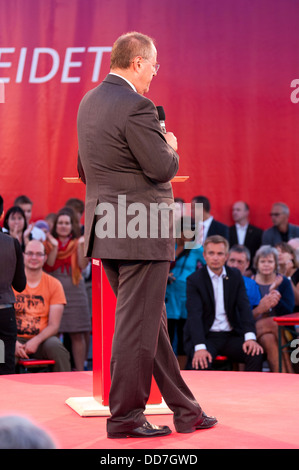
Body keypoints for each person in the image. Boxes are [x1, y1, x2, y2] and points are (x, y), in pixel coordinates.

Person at [77, 31, 217, 438]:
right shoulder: (137, 106)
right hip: (140, 229)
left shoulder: (89, 101)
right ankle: (124, 417)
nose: (155, 72)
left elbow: (86, 169)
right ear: (137, 62)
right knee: (137, 328)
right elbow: (161, 168)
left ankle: (185, 409)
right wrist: (170, 144)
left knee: (147, 326)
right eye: (154, 64)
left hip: (107, 228)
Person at [184, 235, 263, 371]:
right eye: (211, 253)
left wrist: (250, 337)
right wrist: (200, 347)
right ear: (204, 255)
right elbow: (194, 316)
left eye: (220, 253)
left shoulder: (235, 276)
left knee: (255, 354)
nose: (215, 258)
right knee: (200, 362)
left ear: (226, 256)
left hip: (231, 335)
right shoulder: (194, 280)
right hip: (205, 335)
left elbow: (244, 307)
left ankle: (251, 391)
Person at [43, 207, 91, 371]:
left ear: (72, 226)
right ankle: (57, 370)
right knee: (53, 334)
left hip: (76, 291)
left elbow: (83, 266)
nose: (63, 226)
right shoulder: (48, 243)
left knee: (78, 334)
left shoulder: (78, 243)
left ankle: (80, 370)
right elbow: (48, 266)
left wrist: (81, 247)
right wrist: (55, 246)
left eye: (67, 223)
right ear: (56, 225)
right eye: (61, 223)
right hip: (53, 291)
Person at [13, 240, 71, 372]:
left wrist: (36, 341)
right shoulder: (10, 283)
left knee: (57, 348)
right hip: (15, 338)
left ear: (45, 258)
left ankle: (66, 388)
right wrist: (12, 341)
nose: (34, 257)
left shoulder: (54, 284)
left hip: (43, 339)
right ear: (23, 256)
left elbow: (54, 326)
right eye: (30, 253)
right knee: (2, 350)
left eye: (38, 254)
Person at [165, 216, 205, 369]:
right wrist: (165, 275)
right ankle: (167, 370)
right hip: (169, 296)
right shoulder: (169, 246)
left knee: (183, 337)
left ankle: (181, 372)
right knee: (167, 336)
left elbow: (208, 268)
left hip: (186, 297)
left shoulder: (197, 249)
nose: (187, 235)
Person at [252, 245, 295, 372]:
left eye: (270, 261)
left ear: (276, 263)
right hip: (255, 328)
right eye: (263, 261)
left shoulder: (283, 282)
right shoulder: (250, 282)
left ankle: (281, 378)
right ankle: (291, 373)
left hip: (278, 333)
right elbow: (247, 312)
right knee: (274, 323)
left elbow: (288, 311)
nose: (266, 265)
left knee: (269, 339)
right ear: (257, 263)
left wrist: (274, 293)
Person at [0, 196, 27, 375]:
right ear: (2, 213)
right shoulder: (11, 243)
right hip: (3, 313)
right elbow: (20, 285)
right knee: (3, 366)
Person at [229, 201, 263, 270]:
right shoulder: (227, 231)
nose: (234, 212)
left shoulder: (258, 232)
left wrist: (252, 271)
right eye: (233, 210)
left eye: (238, 210)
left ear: (247, 212)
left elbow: (259, 253)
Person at [275, 242, 299, 310]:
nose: (279, 254)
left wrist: (286, 278)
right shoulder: (272, 274)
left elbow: (297, 301)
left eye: (283, 252)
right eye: (277, 252)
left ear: (292, 256)